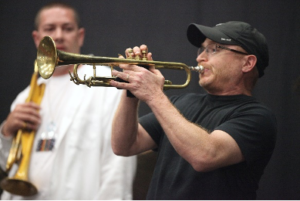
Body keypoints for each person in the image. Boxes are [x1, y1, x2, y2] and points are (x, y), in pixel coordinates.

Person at [110, 21, 277, 200]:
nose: (200, 58)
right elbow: (124, 145)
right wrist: (131, 89)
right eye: (202, 49)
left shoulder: (257, 117)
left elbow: (205, 155)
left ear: (247, 63)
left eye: (214, 49)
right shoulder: (180, 103)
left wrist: (154, 95)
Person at [0, 2, 136, 201]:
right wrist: (6, 133)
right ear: (37, 38)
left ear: (80, 36)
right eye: (49, 29)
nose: (58, 36)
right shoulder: (25, 97)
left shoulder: (106, 82)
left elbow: (118, 162)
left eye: (67, 28)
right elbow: (6, 165)